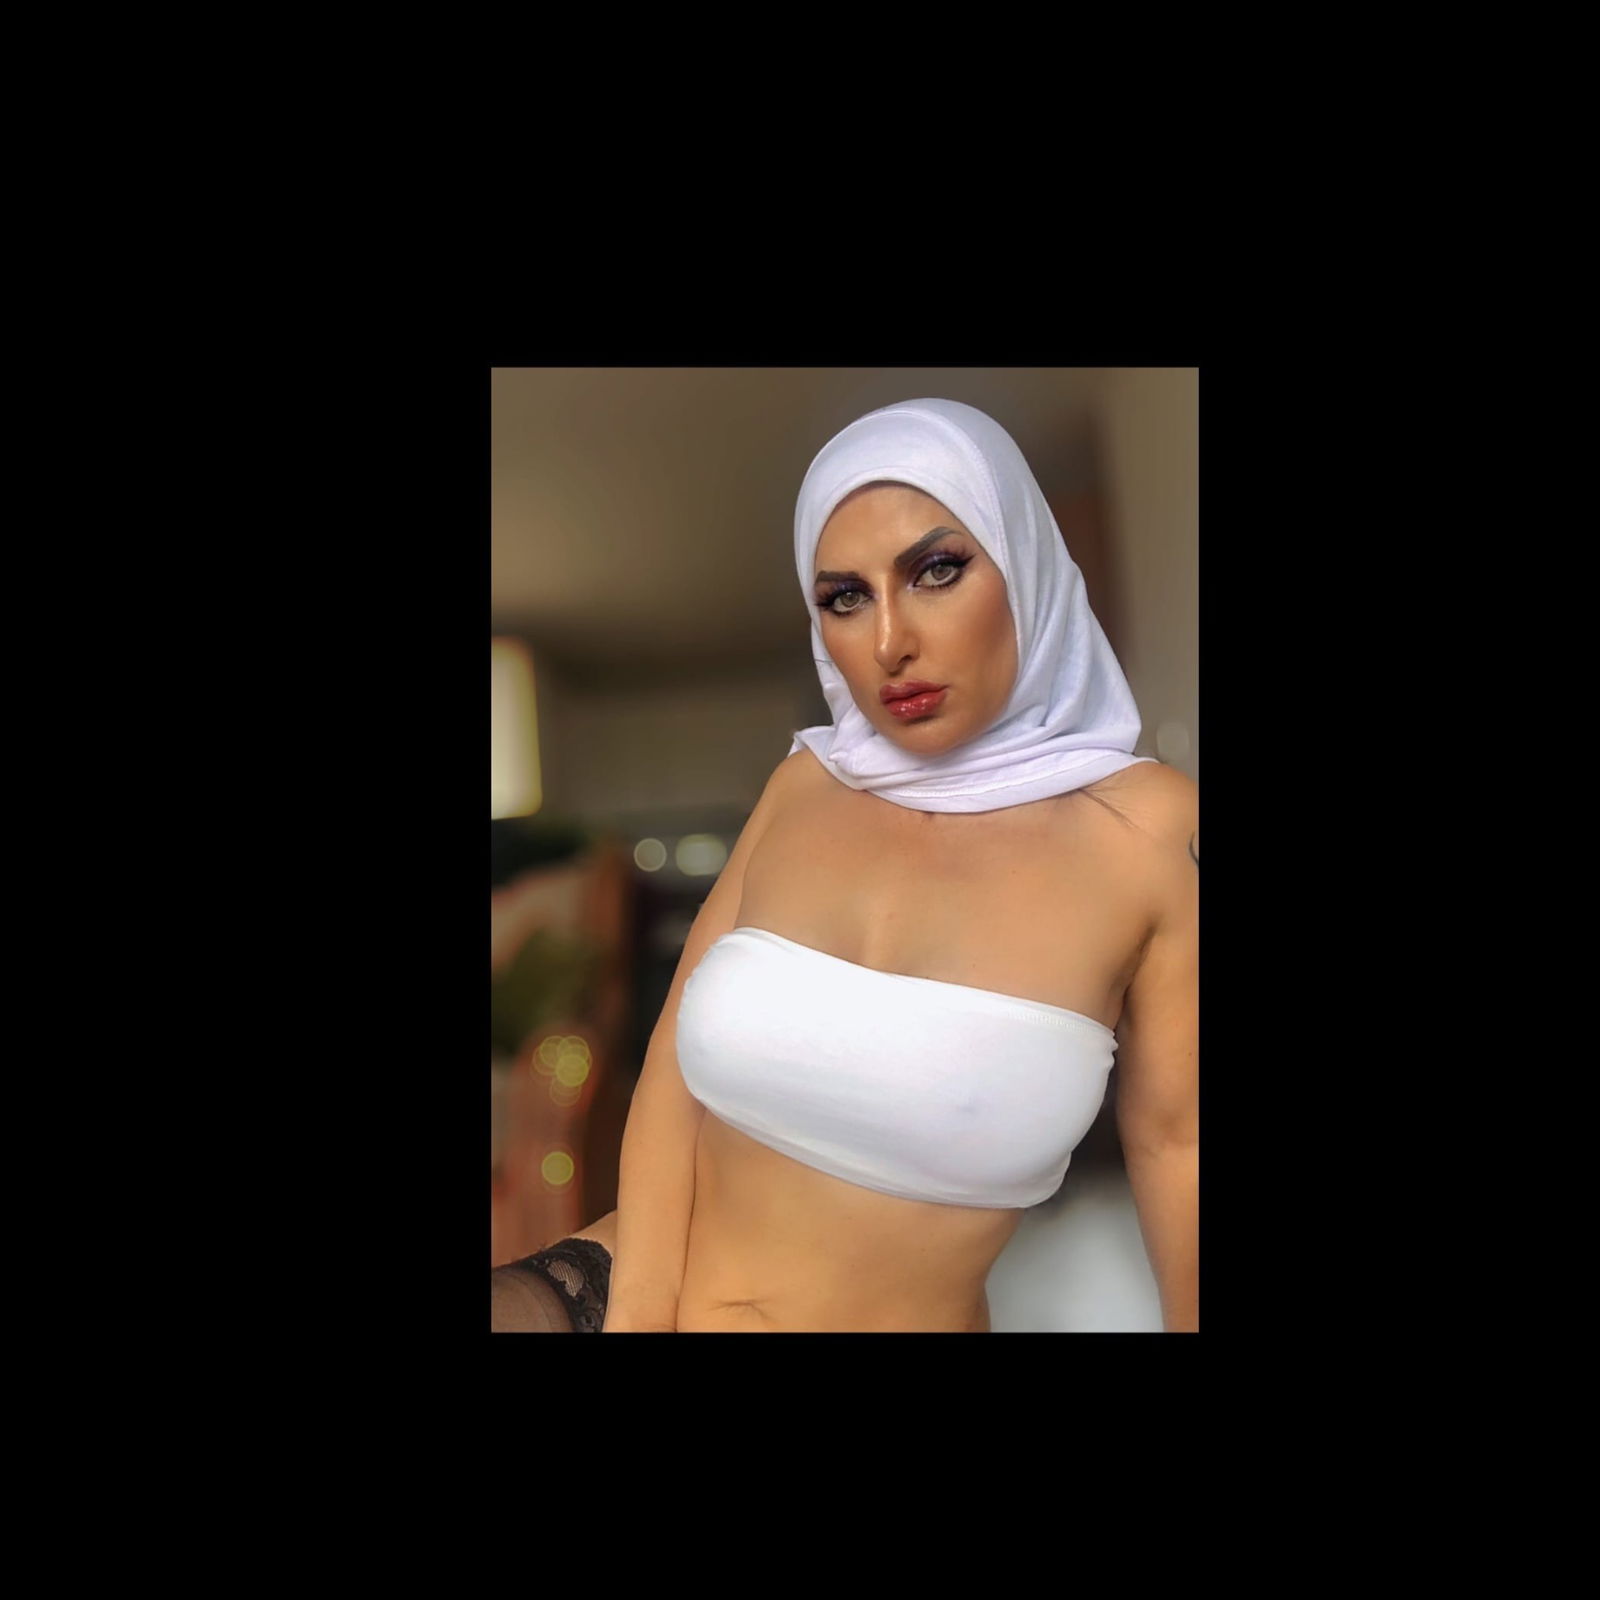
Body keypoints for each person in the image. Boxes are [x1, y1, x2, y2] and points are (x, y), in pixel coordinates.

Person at [491, 397, 1197, 1333]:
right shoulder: (805, 783)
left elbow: (1178, 1143)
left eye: (937, 571)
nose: (890, 641)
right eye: (845, 597)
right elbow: (669, 1076)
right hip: (631, 1289)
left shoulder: (1144, 833)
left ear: (1025, 564)